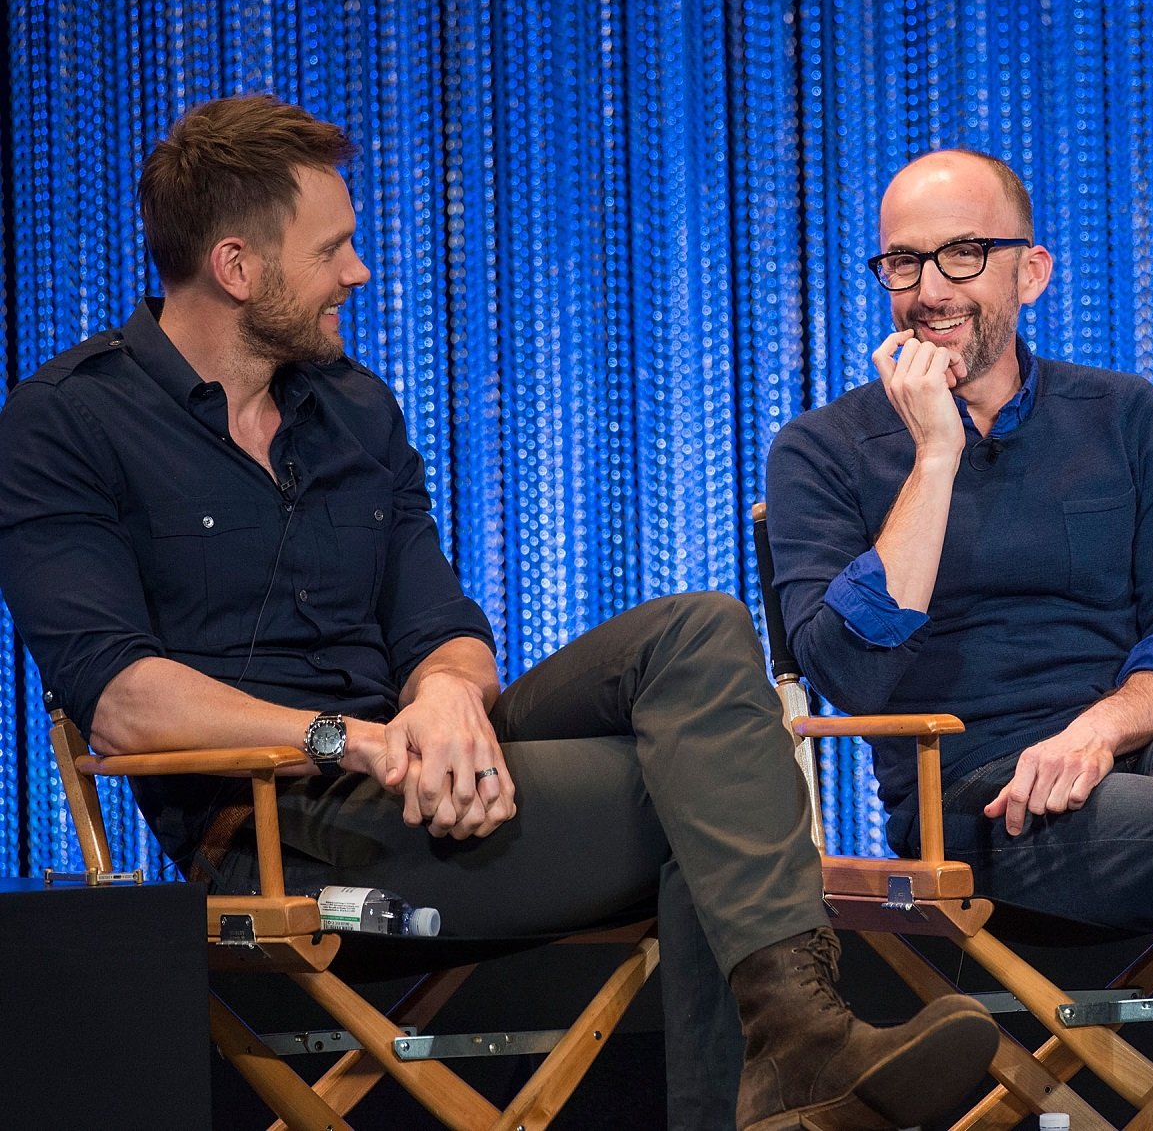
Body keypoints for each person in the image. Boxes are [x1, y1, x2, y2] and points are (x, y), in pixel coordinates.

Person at [0, 94, 997, 1131]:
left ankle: (800, 1055)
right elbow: (121, 704)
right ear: (238, 267)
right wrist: (354, 741)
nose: (359, 271)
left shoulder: (351, 407)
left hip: (428, 772)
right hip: (280, 821)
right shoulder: (66, 424)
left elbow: (441, 619)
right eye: (332, 248)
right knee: (709, 787)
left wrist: (445, 704)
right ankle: (799, 1063)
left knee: (698, 630)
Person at [764, 149, 1153, 1131]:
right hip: (973, 798)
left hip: (1135, 755)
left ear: (1029, 271)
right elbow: (851, 671)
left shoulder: (1122, 416)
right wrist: (934, 456)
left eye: (960, 255)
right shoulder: (819, 449)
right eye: (902, 264)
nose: (927, 290)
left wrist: (1096, 733)